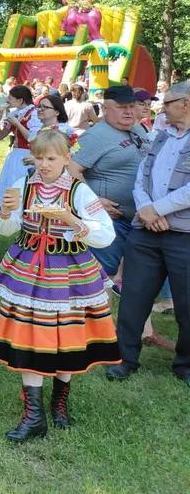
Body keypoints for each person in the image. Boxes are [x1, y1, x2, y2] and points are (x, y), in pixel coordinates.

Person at [0, 130, 120, 441]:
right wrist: (6, 211)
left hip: (70, 271)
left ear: (67, 158)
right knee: (29, 333)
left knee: (67, 333)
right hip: (28, 269)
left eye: (51, 158)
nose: (44, 164)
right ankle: (34, 414)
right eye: (39, 157)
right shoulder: (23, 185)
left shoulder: (79, 192)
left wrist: (72, 221)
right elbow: (4, 227)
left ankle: (59, 400)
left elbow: (106, 234)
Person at [68, 86, 171, 350]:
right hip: (108, 220)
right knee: (103, 277)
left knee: (137, 277)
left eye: (131, 106)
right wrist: (94, 202)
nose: (128, 112)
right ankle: (97, 335)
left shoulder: (139, 130)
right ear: (105, 109)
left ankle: (145, 332)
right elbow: (70, 170)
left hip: (139, 218)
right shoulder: (95, 137)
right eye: (121, 107)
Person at [106, 82, 190, 385]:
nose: (160, 107)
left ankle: (185, 364)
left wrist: (158, 209)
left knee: (187, 302)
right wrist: (145, 210)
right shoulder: (159, 137)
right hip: (146, 232)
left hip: (183, 234)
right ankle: (124, 357)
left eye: (167, 102)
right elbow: (141, 178)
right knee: (133, 296)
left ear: (186, 104)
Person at [0, 86, 41, 208]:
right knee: (11, 184)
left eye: (10, 98)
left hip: (28, 154)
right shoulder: (15, 114)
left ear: (20, 100)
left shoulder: (34, 114)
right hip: (15, 155)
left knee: (23, 185)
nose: (8, 101)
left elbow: (33, 139)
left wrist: (18, 124)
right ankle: (11, 214)